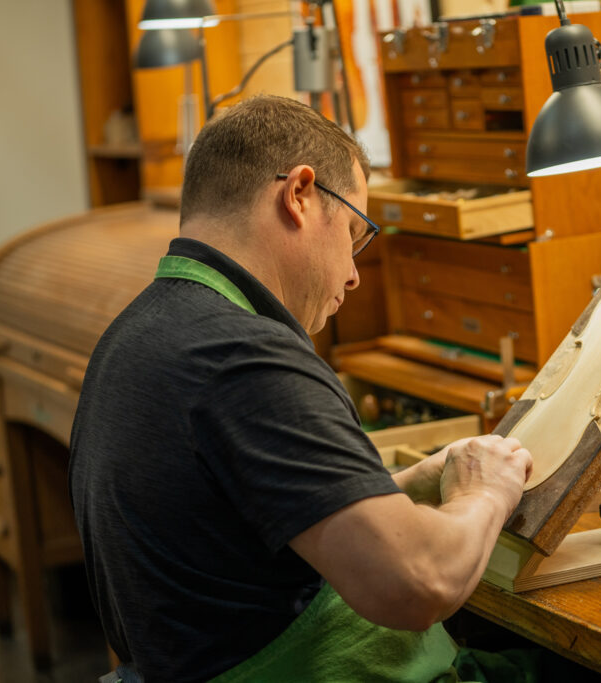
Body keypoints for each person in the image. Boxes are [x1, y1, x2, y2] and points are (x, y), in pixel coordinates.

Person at [69, 94, 533, 682]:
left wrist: (398, 488)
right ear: (299, 195)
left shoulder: (136, 333)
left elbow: (239, 534)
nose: (354, 273)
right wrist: (485, 493)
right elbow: (419, 584)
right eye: (354, 232)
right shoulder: (243, 356)